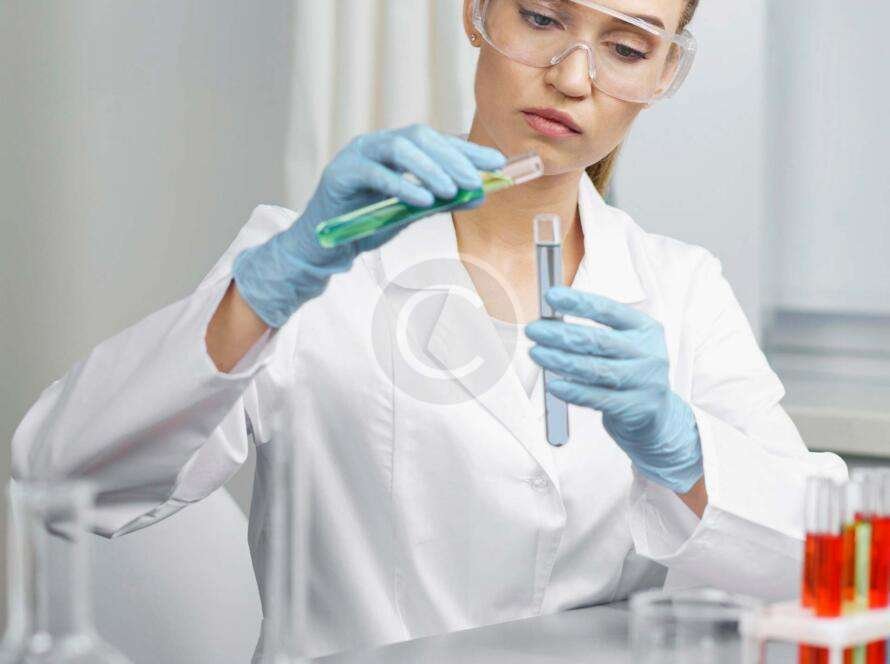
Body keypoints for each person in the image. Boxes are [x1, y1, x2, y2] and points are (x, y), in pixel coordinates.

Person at [13, 0, 846, 659]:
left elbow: (819, 569)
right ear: (478, 12)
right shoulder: (316, 260)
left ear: (665, 70)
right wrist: (265, 292)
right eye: (544, 19)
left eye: (627, 48)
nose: (572, 77)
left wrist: (685, 450)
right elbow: (58, 471)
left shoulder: (680, 287)